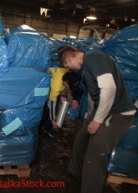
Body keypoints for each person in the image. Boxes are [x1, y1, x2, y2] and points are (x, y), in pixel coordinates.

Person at [58, 45, 136, 193]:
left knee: (95, 153)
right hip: (104, 111)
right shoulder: (86, 67)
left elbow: (109, 88)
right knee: (81, 138)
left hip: (118, 113)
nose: (71, 68)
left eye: (68, 65)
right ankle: (76, 173)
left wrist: (97, 120)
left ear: (69, 58)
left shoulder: (93, 57)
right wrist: (93, 114)